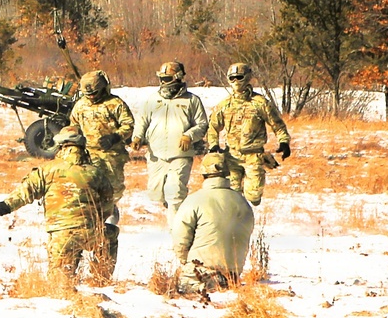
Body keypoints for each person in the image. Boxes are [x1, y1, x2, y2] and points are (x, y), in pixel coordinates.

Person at [0, 126, 113, 283]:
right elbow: (108, 204)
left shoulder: (47, 171)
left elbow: (22, 194)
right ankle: (102, 278)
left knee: (59, 285)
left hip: (61, 235)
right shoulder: (95, 172)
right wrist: (95, 223)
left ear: (60, 145)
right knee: (110, 233)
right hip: (92, 233)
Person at [68, 70, 134, 273]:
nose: (92, 97)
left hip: (111, 159)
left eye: (95, 93)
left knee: (110, 198)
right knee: (88, 199)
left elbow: (129, 125)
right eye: (88, 94)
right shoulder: (80, 106)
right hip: (88, 160)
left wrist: (115, 137)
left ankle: (107, 238)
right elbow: (73, 128)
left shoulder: (116, 104)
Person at [132, 61, 208, 225]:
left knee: (175, 193)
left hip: (181, 154)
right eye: (162, 78)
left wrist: (189, 135)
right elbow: (142, 120)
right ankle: (170, 203)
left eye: (167, 78)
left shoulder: (192, 100)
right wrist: (137, 137)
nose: (164, 82)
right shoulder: (152, 99)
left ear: (178, 77)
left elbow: (202, 125)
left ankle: (177, 230)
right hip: (156, 154)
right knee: (156, 193)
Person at [206, 63, 291, 206]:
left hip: (254, 156)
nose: (236, 82)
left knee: (253, 196)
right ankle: (236, 222)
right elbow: (213, 127)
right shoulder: (224, 105)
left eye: (239, 77)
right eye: (232, 78)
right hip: (231, 156)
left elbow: (277, 124)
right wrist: (214, 145)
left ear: (247, 77)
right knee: (231, 197)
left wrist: (284, 142)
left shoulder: (260, 103)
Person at [171, 152, 255, 293]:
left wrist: (186, 262)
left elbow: (180, 238)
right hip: (233, 276)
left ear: (203, 174)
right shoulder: (242, 202)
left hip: (200, 274)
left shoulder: (194, 200)